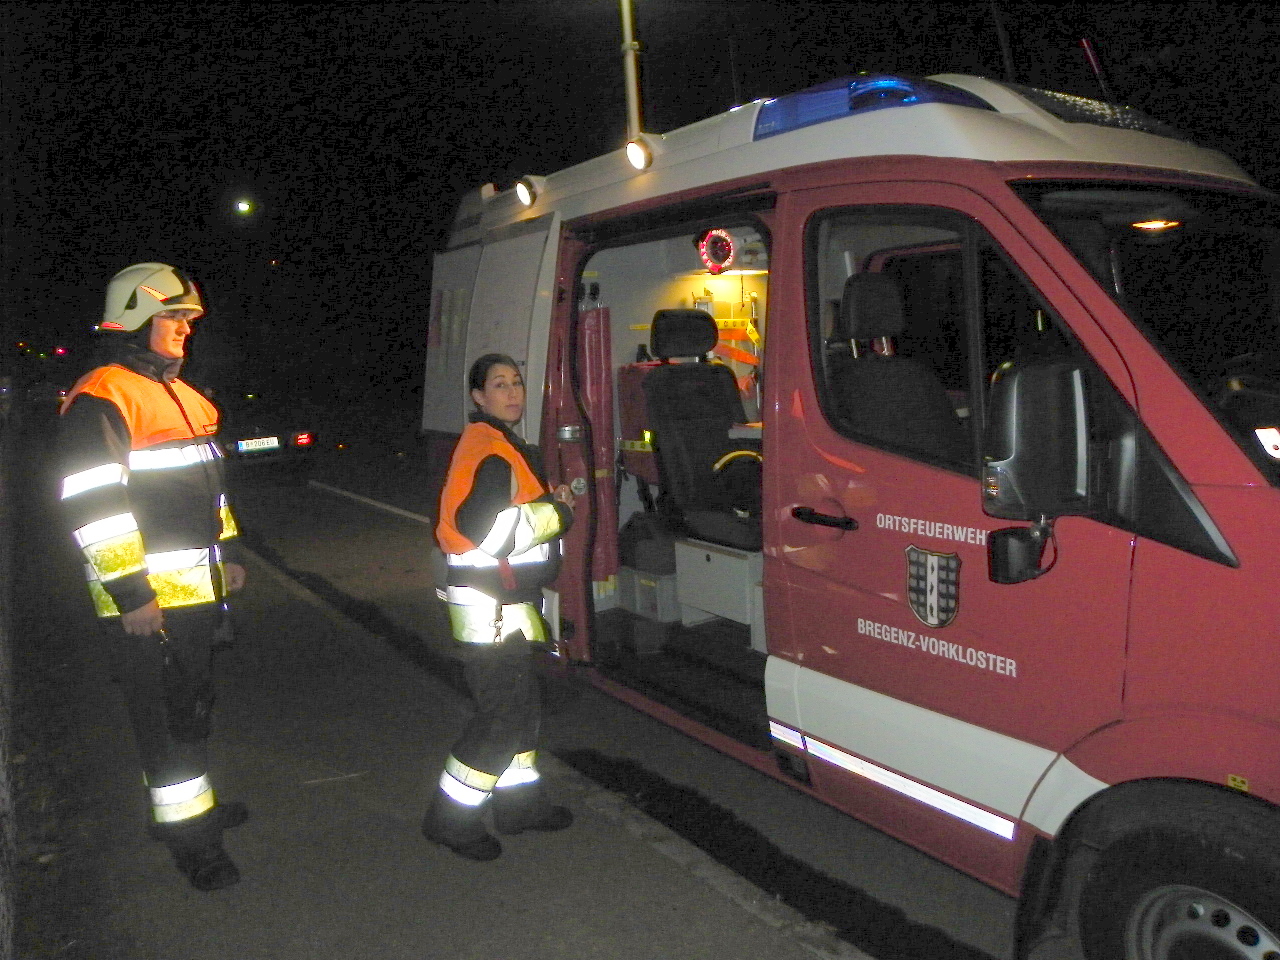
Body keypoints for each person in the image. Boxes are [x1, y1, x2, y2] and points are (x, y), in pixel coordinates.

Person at [56, 262, 248, 891]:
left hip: (193, 592)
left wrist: (228, 552)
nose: (185, 328)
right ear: (136, 320)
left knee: (187, 709)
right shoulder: (105, 396)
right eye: (174, 316)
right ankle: (193, 842)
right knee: (166, 719)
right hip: (146, 605)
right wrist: (133, 594)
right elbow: (95, 506)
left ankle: (192, 811)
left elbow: (209, 492)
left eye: (189, 318)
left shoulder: (183, 396)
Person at [423, 353, 575, 861]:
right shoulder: (490, 450)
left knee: (521, 712)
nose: (512, 392)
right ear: (478, 397)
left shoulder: (498, 444)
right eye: (499, 384)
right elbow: (486, 533)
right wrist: (557, 513)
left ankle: (519, 808)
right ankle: (449, 822)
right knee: (500, 722)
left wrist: (546, 504)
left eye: (517, 383)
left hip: (505, 605)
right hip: (489, 609)